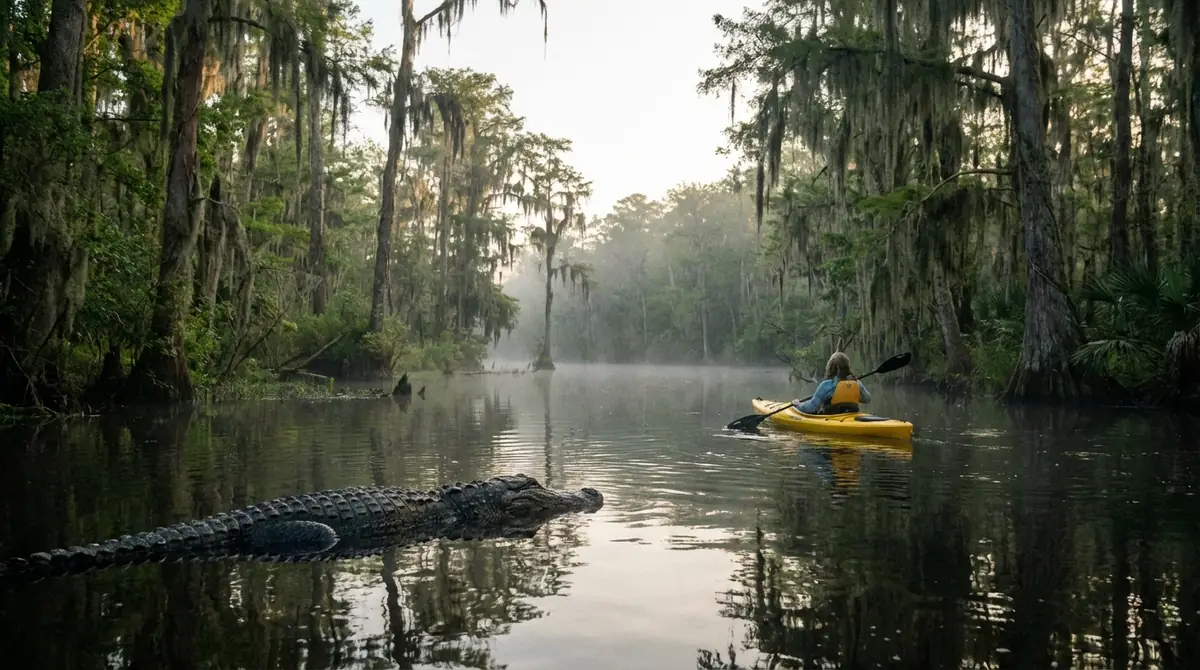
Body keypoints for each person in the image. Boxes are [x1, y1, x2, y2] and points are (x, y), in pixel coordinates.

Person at [792, 351, 872, 414]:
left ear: (831, 366)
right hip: (850, 417)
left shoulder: (827, 385)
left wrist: (798, 404)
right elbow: (867, 399)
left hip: (832, 418)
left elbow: (811, 408)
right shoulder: (857, 383)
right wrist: (852, 394)